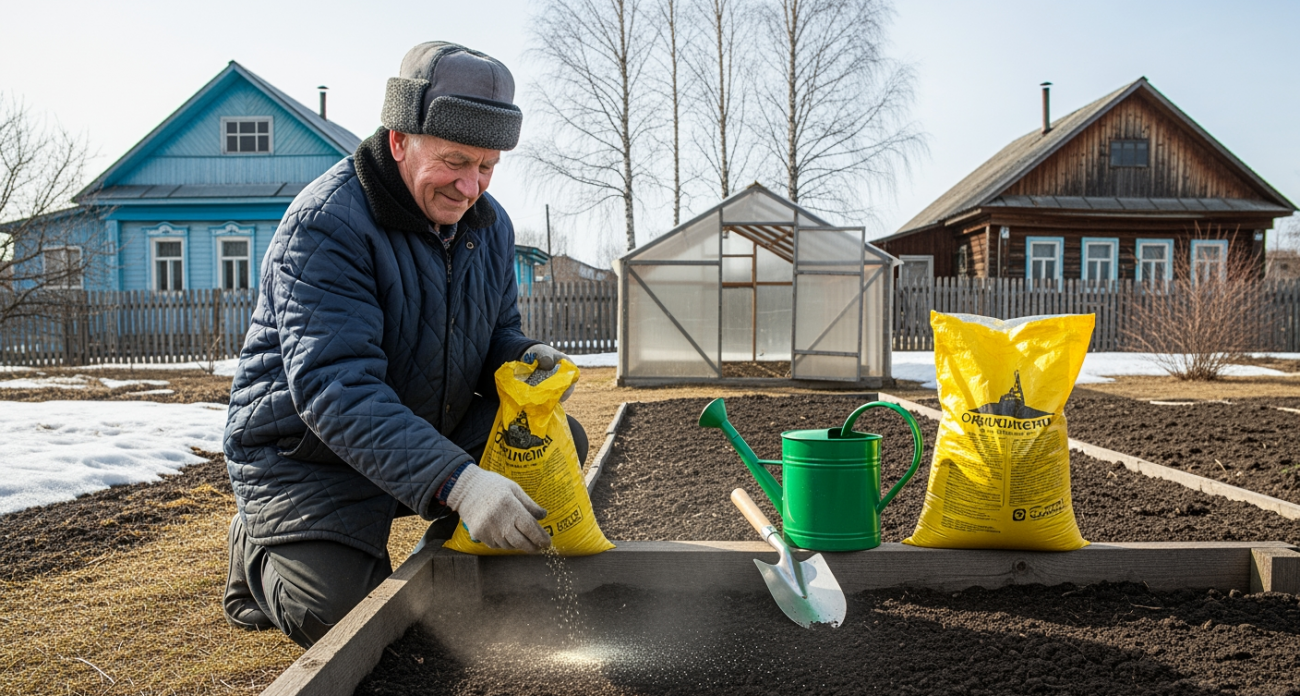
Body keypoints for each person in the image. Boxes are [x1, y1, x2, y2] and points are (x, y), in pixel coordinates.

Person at [221, 41, 587, 648]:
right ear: (399, 140)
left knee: (553, 445)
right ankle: (257, 547)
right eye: (455, 161)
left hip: (421, 426)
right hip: (310, 458)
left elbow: (494, 333)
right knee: (347, 622)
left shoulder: (486, 227)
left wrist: (522, 360)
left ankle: (449, 553)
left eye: (488, 166)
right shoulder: (326, 225)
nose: (471, 187)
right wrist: (463, 483)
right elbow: (336, 389)